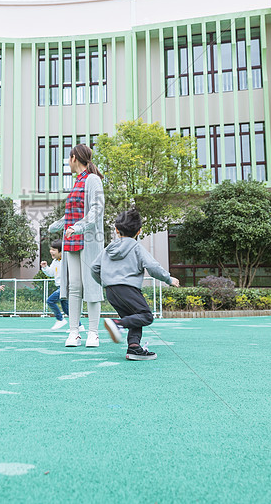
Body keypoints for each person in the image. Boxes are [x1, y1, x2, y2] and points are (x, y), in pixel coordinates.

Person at [91, 209, 180, 360]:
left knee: (134, 317)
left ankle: (134, 348)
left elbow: (94, 268)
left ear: (116, 230)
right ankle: (117, 323)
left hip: (111, 291)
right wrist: (169, 279)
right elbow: (152, 267)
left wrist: (105, 283)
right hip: (128, 289)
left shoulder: (108, 248)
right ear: (139, 231)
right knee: (146, 316)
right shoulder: (136, 246)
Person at [48, 143, 105, 348]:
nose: (68, 163)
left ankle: (93, 333)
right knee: (74, 287)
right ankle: (74, 333)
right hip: (71, 241)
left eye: (68, 159)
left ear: (74, 158)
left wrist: (79, 227)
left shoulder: (92, 180)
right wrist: (59, 224)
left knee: (91, 287)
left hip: (87, 241)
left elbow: (96, 209)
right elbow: (72, 214)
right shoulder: (77, 183)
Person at [40, 239, 70, 331]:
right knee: (66, 309)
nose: (51, 251)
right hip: (60, 287)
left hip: (65, 287)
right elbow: (51, 273)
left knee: (50, 301)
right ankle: (79, 326)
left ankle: (60, 319)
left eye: (54, 250)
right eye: (51, 249)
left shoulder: (66, 260)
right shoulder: (55, 261)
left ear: (61, 251)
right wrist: (45, 267)